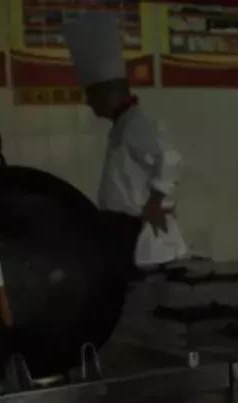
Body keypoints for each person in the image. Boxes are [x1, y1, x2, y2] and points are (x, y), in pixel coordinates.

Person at [64, 12, 188, 268]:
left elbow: (171, 156)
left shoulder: (138, 123)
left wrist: (155, 201)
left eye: (91, 94)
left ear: (108, 91)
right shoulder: (123, 125)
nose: (88, 102)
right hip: (126, 232)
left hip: (146, 236)